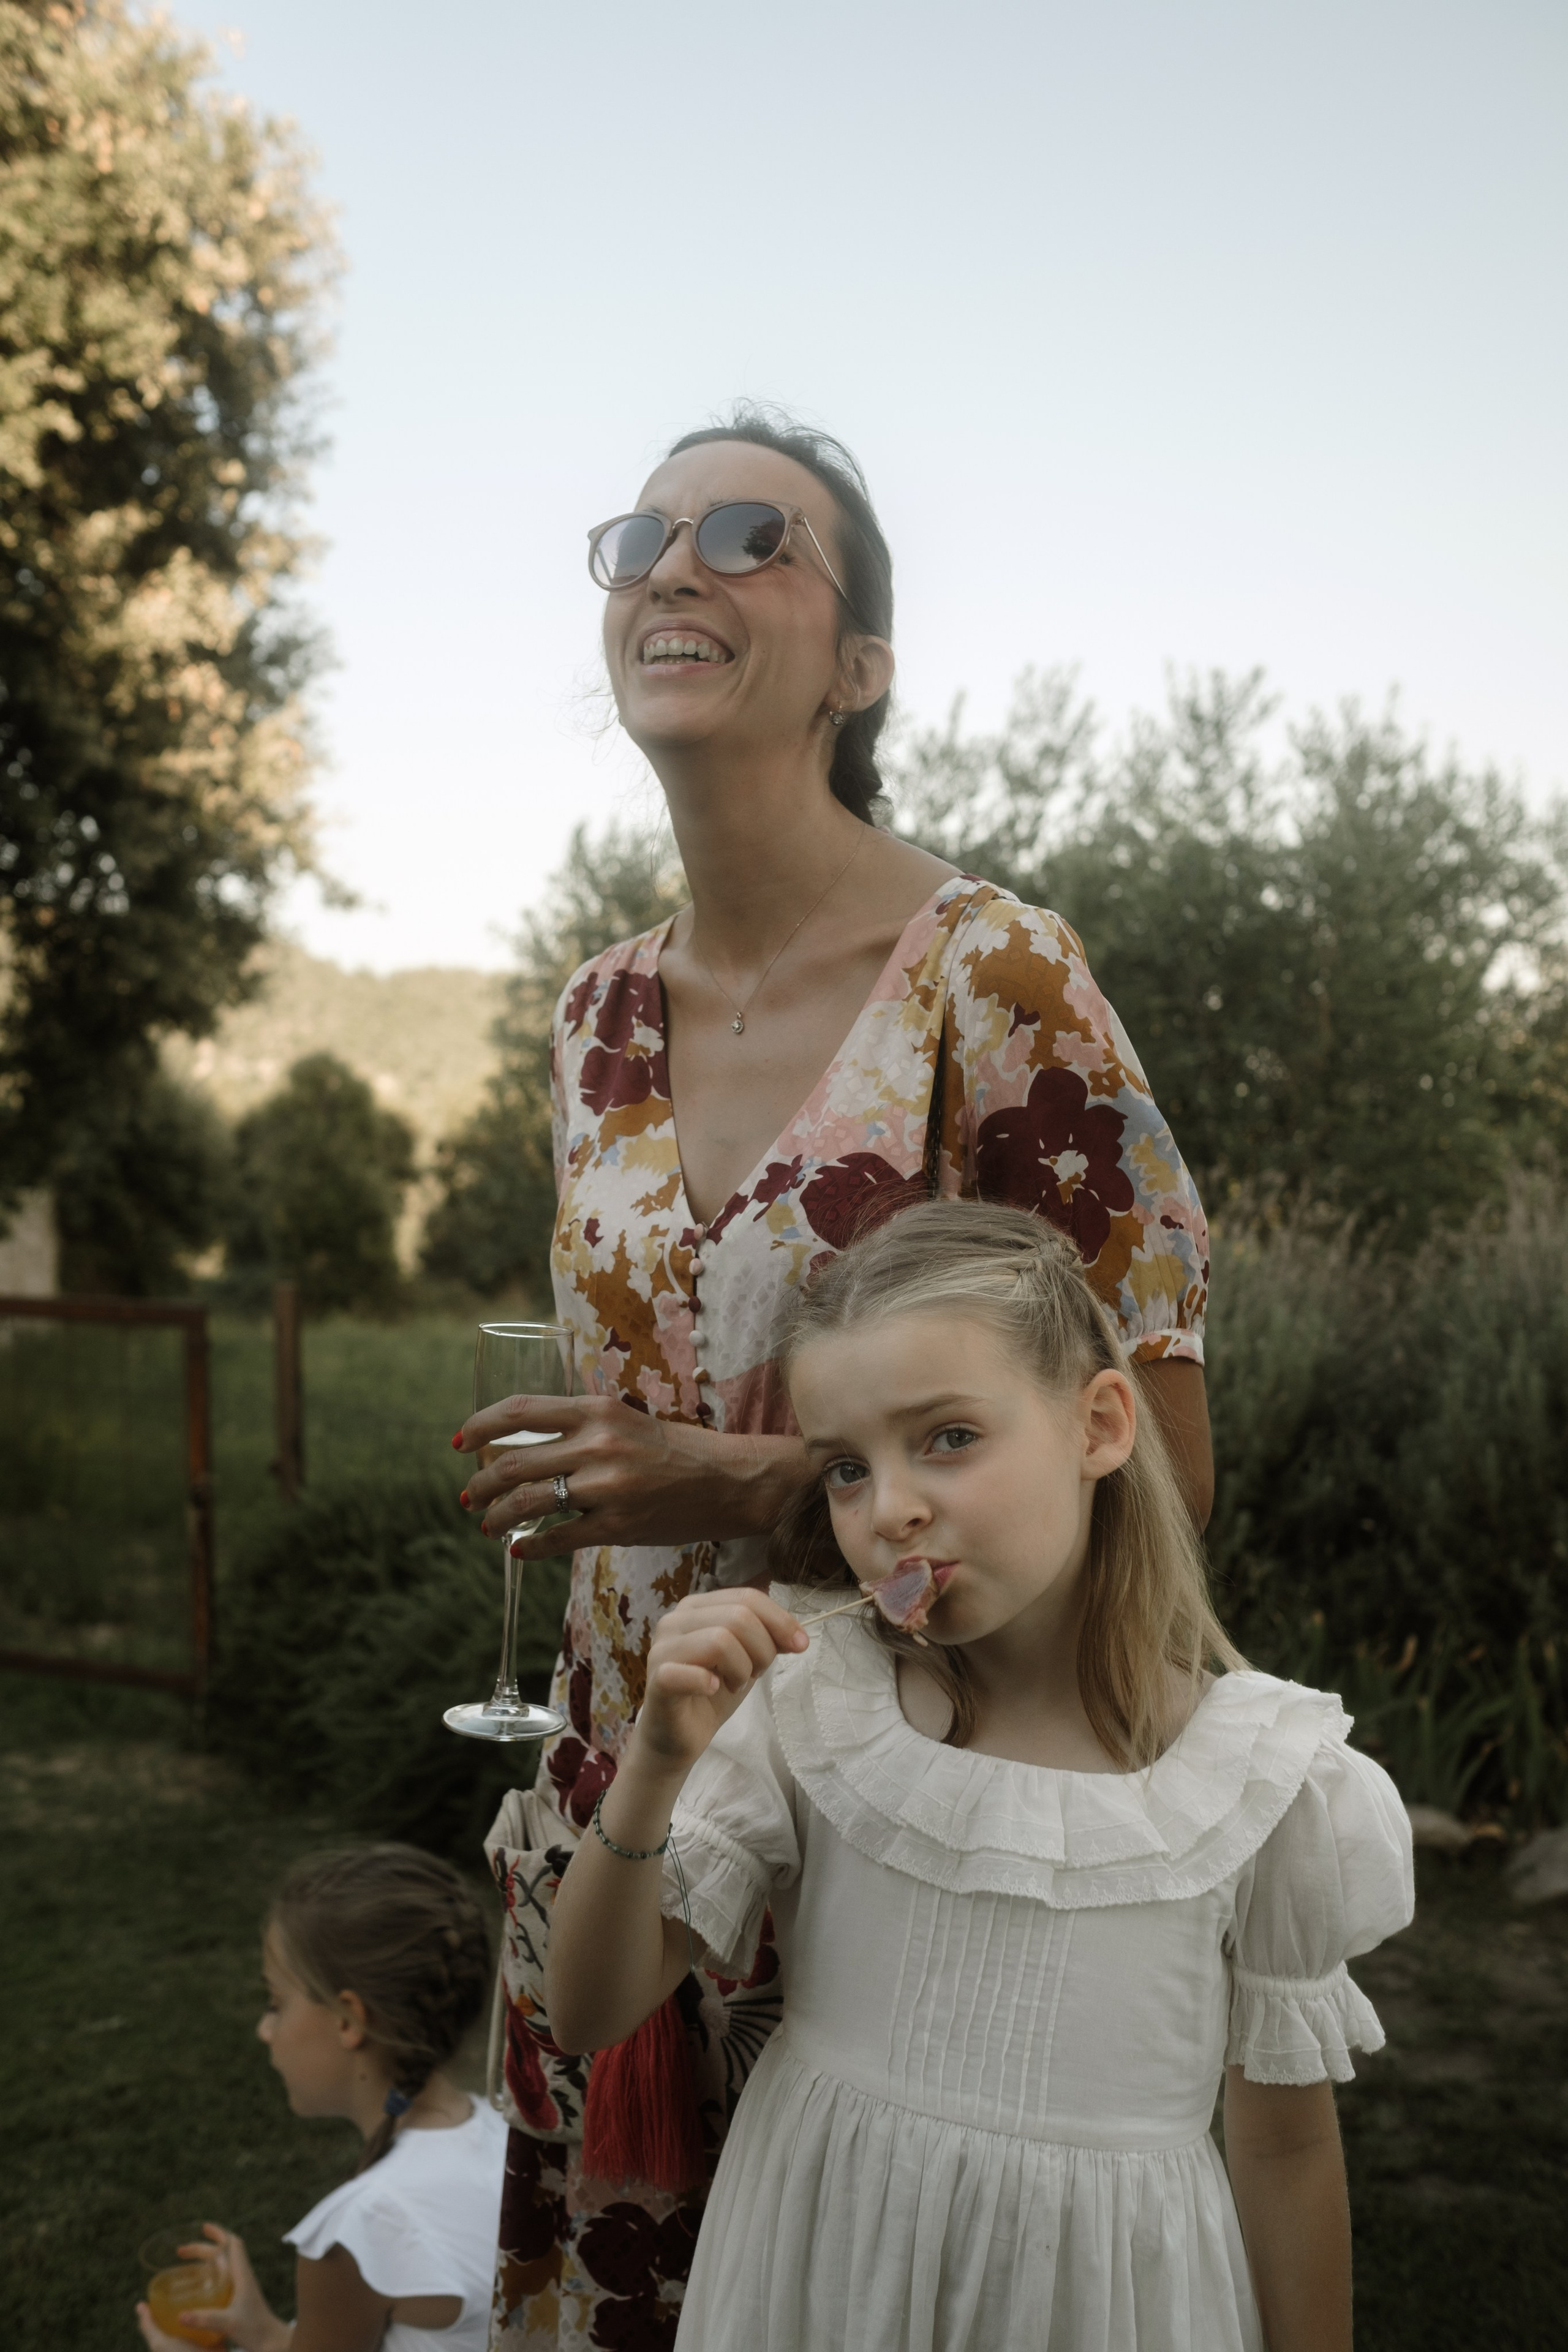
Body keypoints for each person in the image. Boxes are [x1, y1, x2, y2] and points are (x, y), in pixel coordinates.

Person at [454, 407, 1214, 2344]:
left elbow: (1158, 1484)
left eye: (746, 533)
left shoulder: (997, 980)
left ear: (860, 666)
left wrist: (735, 1482)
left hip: (888, 1850)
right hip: (617, 1823)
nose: (674, 564)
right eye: (641, 535)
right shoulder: (592, 1015)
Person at [544, 1199, 1415, 2352]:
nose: (890, 1508)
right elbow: (588, 2007)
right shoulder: (821, 1707)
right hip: (823, 2279)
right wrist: (653, 1767)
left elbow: (1287, 2150)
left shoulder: (1260, 1784)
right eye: (847, 1470)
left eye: (948, 1437)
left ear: (1101, 1426)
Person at [135, 1845, 505, 2352]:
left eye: (276, 2002)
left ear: (349, 2020)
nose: (265, 2030)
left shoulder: (363, 2232)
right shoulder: (506, 2134)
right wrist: (267, 2334)